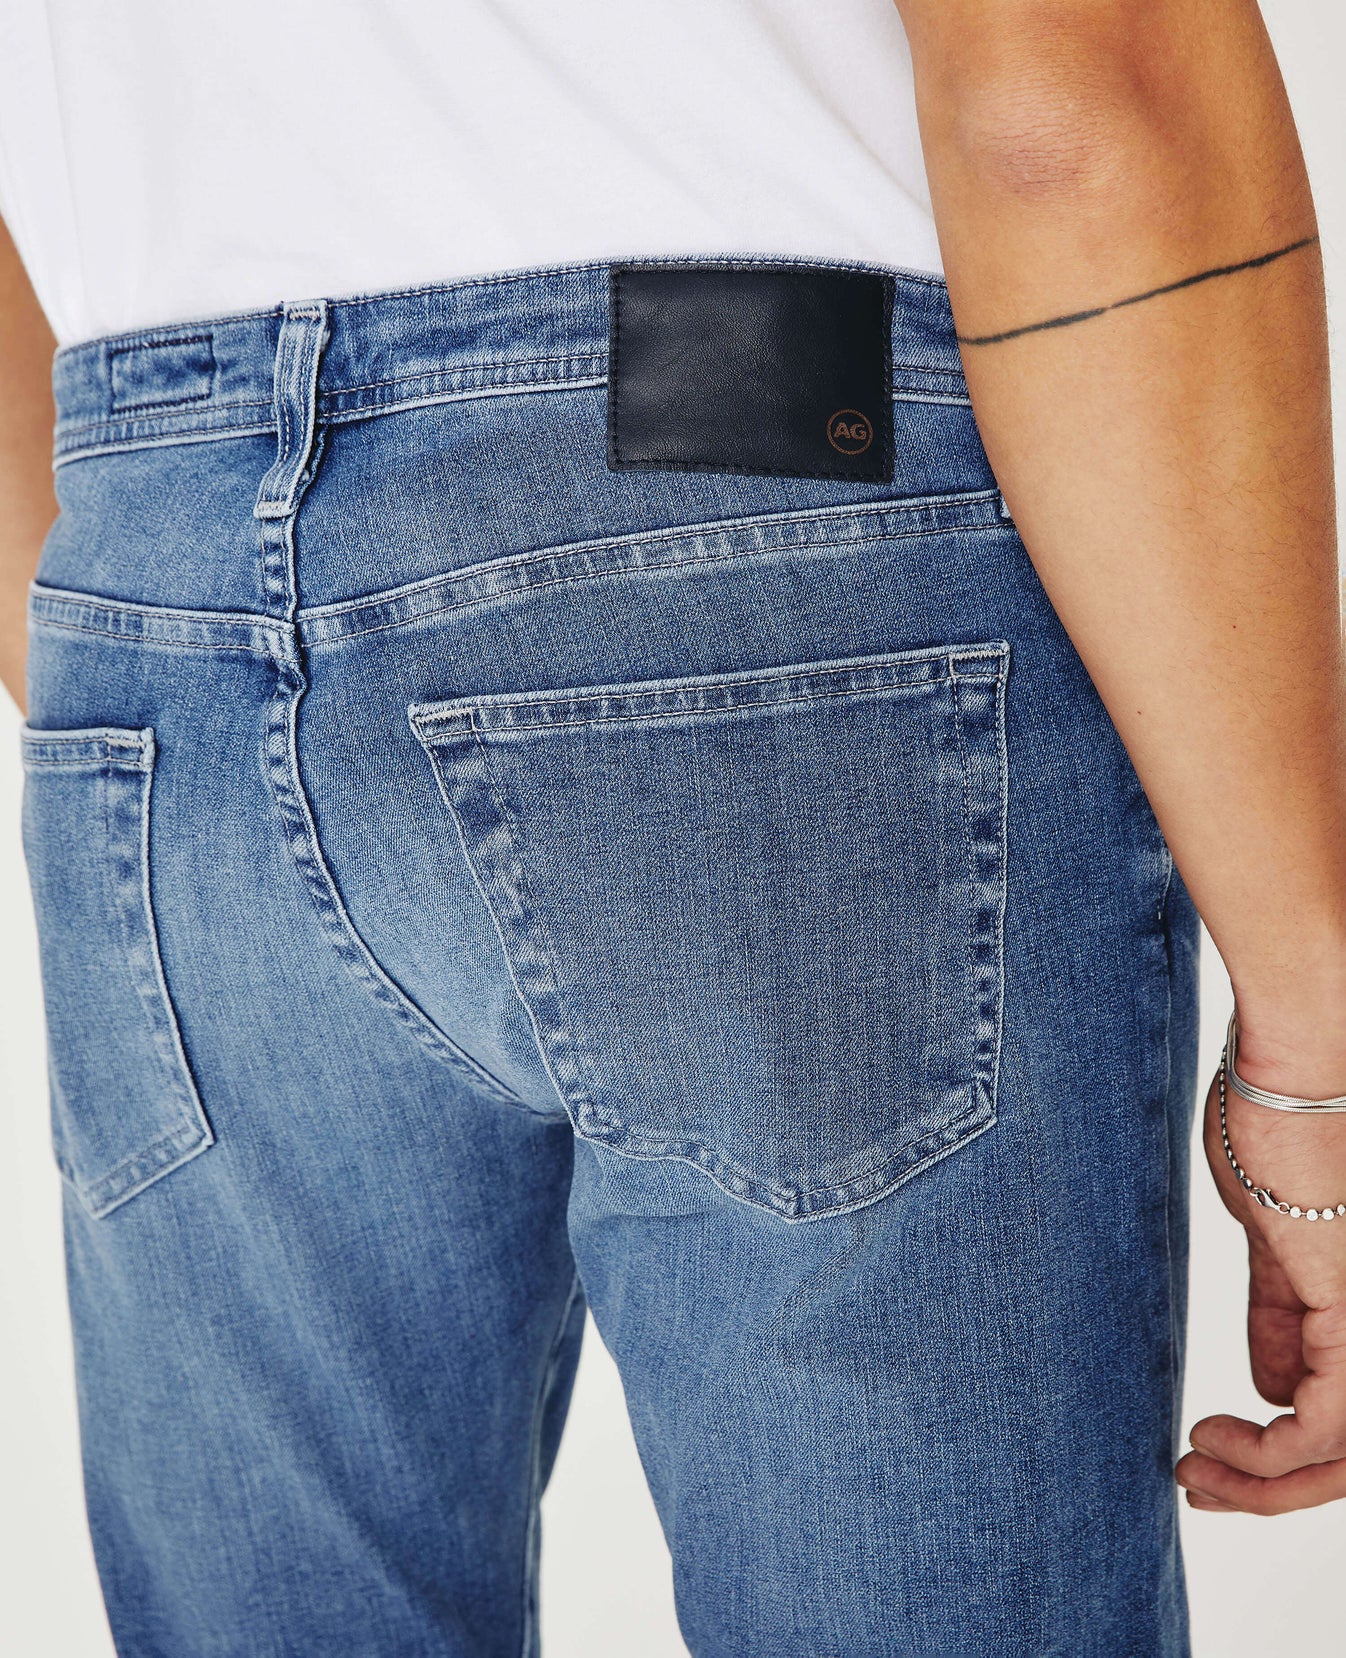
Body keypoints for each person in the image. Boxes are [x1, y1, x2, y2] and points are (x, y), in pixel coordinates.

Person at [0, 1, 1341, 1652]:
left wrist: (153, 652)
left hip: (151, 580)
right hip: (775, 515)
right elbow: (1073, 94)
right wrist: (1315, 1048)